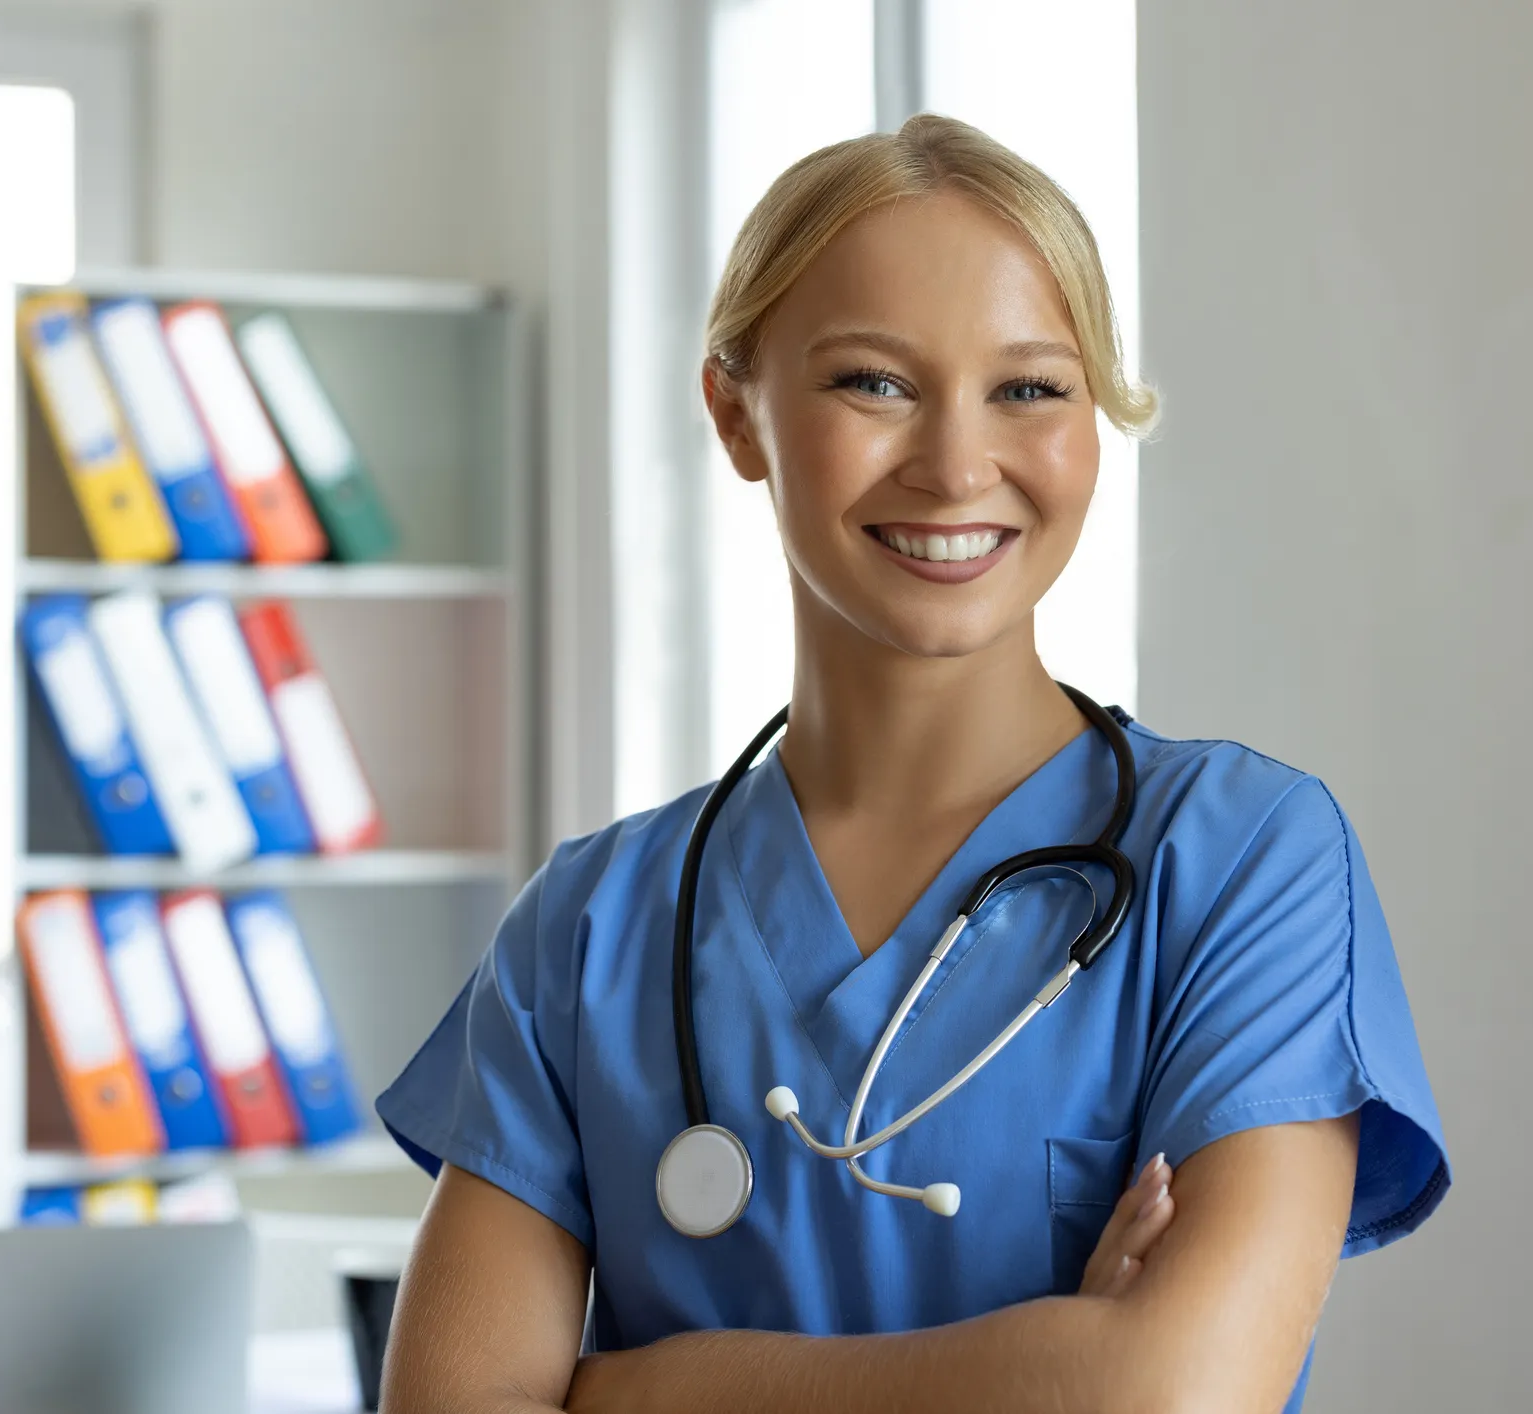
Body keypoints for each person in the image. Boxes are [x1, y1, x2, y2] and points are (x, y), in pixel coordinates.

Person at [373, 114, 1449, 1413]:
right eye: (873, 382)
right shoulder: (589, 929)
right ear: (737, 413)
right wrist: (1046, 1360)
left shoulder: (1242, 860)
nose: (953, 464)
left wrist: (651, 1390)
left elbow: (1166, 1390)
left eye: (1031, 388)